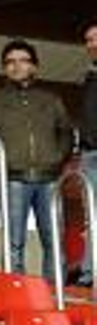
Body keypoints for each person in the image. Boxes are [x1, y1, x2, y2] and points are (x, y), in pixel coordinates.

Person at [0, 39, 74, 280]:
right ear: (4, 68)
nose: (16, 66)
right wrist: (4, 160)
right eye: (10, 62)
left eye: (23, 61)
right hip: (13, 180)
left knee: (54, 240)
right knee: (13, 242)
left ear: (34, 67)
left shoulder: (51, 100)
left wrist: (57, 158)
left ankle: (54, 293)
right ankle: (16, 291)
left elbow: (66, 132)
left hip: (49, 180)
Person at [74, 20, 97, 285]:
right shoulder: (88, 77)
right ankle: (90, 272)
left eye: (96, 38)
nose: (92, 44)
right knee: (92, 215)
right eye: (88, 40)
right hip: (90, 154)